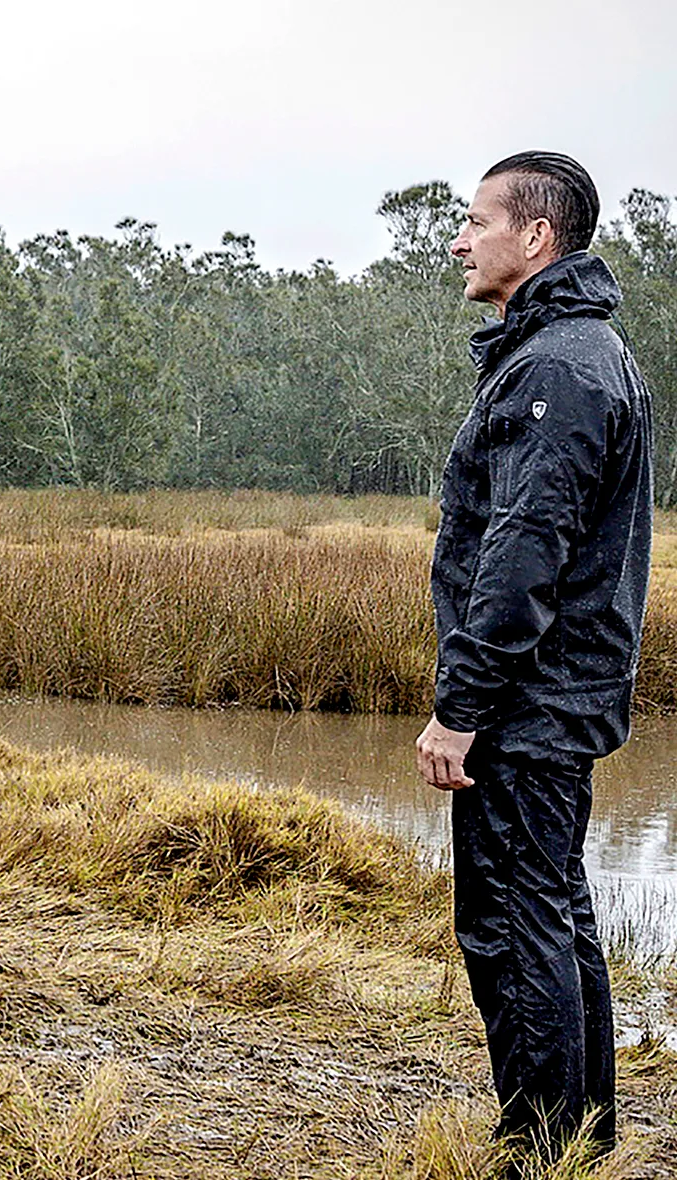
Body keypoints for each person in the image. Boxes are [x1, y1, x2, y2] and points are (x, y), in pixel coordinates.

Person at [417, 151, 650, 1167]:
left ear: (536, 237)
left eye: (476, 221)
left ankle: (538, 1146)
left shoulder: (558, 366)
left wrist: (460, 705)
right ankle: (579, 1141)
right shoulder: (577, 353)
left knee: (514, 926)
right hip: (555, 697)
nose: (460, 241)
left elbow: (523, 554)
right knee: (552, 910)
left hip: (527, 704)